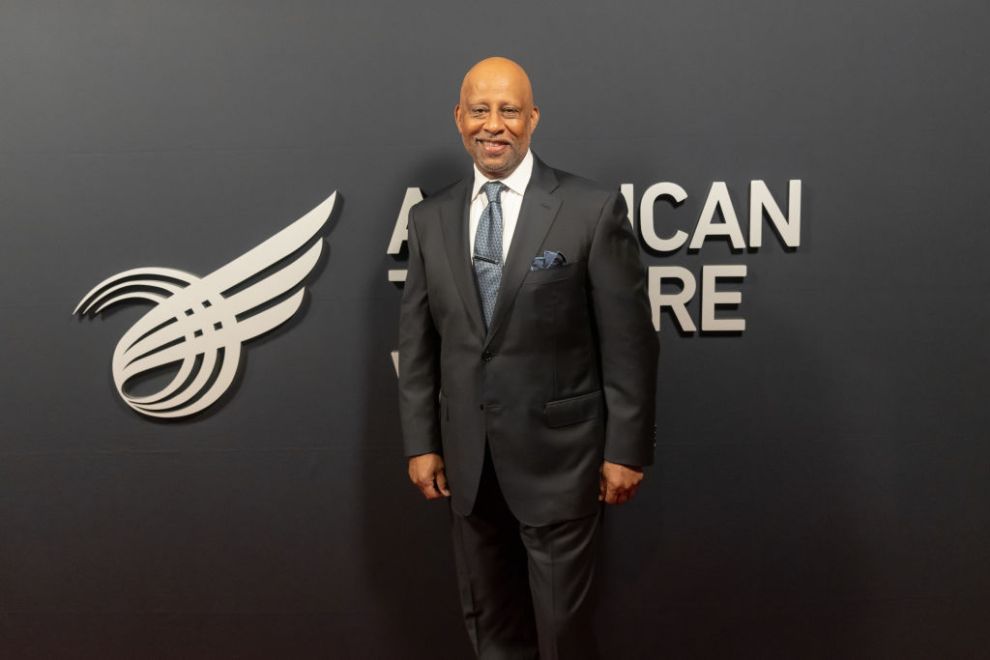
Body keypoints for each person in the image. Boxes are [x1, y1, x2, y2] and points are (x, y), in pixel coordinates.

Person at [398, 56, 659, 659]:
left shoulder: (590, 209)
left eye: (509, 110)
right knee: (490, 630)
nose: (495, 125)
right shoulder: (430, 217)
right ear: (459, 118)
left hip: (562, 463)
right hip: (467, 463)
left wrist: (625, 449)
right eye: (481, 110)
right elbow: (418, 343)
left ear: (533, 118)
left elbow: (630, 342)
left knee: (563, 635)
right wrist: (421, 442)